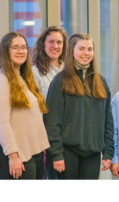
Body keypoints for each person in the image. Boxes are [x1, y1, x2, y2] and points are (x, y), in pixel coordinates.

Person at [43, 33, 114, 179]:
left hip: (93, 153)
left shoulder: (100, 81)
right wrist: (56, 154)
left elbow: (108, 121)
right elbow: (52, 122)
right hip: (67, 153)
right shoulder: (60, 81)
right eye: (81, 49)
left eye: (90, 49)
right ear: (71, 51)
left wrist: (108, 152)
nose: (86, 53)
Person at [0, 32, 50, 179]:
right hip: (14, 158)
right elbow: (1, 124)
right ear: (5, 51)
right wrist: (13, 157)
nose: (20, 51)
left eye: (24, 47)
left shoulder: (24, 78)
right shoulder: (0, 81)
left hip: (32, 153)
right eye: (15, 47)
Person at [32, 26, 68, 179]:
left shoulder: (69, 70)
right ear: (43, 45)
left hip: (70, 136)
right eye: (51, 42)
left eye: (59, 42)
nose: (55, 46)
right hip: (48, 138)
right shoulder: (34, 72)